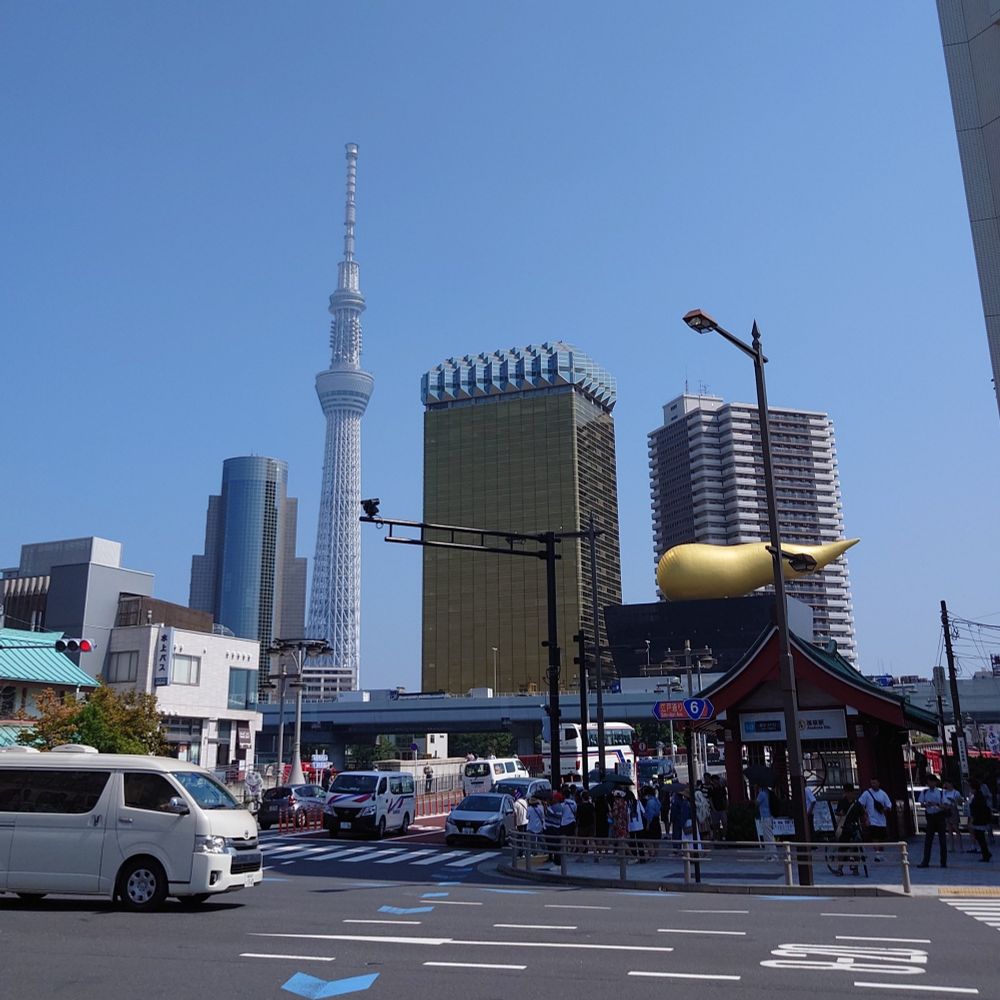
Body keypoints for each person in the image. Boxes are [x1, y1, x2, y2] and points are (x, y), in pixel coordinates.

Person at [917, 774, 949, 868]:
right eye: (929, 781)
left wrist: (937, 804)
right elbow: (921, 804)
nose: (931, 783)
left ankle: (943, 862)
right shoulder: (924, 792)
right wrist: (927, 804)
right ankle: (925, 861)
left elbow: (946, 806)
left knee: (942, 840)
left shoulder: (941, 792)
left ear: (936, 782)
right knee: (928, 840)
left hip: (939, 816)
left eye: (933, 781)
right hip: (930, 816)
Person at [858, 777, 893, 861]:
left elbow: (889, 805)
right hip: (872, 820)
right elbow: (860, 804)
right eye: (872, 783)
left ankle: (881, 854)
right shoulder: (867, 793)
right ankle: (877, 854)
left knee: (882, 838)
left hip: (882, 820)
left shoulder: (883, 793)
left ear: (878, 783)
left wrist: (884, 809)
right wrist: (865, 816)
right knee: (875, 838)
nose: (873, 785)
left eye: (875, 783)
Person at [969, 784, 993, 862]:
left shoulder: (977, 797)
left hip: (979, 820)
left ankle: (985, 855)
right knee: (980, 837)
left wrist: (972, 820)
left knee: (980, 837)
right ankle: (986, 853)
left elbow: (976, 809)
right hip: (981, 819)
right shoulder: (978, 796)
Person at [942, 780, 965, 851]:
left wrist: (954, 801)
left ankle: (960, 847)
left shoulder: (956, 792)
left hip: (953, 810)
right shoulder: (944, 792)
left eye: (948, 783)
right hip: (946, 809)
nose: (947, 785)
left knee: (956, 828)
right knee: (949, 829)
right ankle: (951, 847)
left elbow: (960, 802)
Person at [575, 789, 596, 859]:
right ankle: (596, 855)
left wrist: (577, 825)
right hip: (591, 824)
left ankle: (581, 856)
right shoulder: (591, 805)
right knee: (592, 840)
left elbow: (577, 816)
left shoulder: (580, 806)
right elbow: (594, 815)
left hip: (582, 825)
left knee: (579, 840)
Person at [708, 774, 729, 841]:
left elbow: (725, 797)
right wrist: (713, 808)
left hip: (722, 808)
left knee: (725, 823)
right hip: (715, 809)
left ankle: (724, 837)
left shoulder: (722, 788)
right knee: (715, 825)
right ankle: (716, 838)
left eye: (716, 780)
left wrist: (726, 806)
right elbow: (710, 799)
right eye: (714, 780)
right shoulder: (711, 789)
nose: (715, 781)